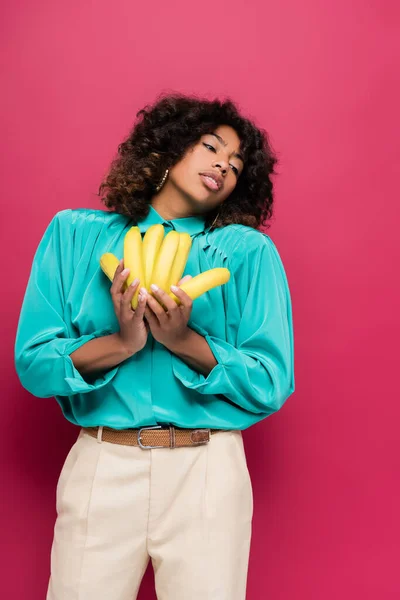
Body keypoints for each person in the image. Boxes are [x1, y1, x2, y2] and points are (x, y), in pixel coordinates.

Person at [14, 92, 295, 600]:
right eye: (211, 146)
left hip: (206, 470)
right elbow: (34, 362)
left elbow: (273, 380)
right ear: (166, 149)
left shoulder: (246, 253)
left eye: (235, 165)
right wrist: (123, 342)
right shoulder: (74, 235)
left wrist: (183, 341)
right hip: (103, 462)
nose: (222, 166)